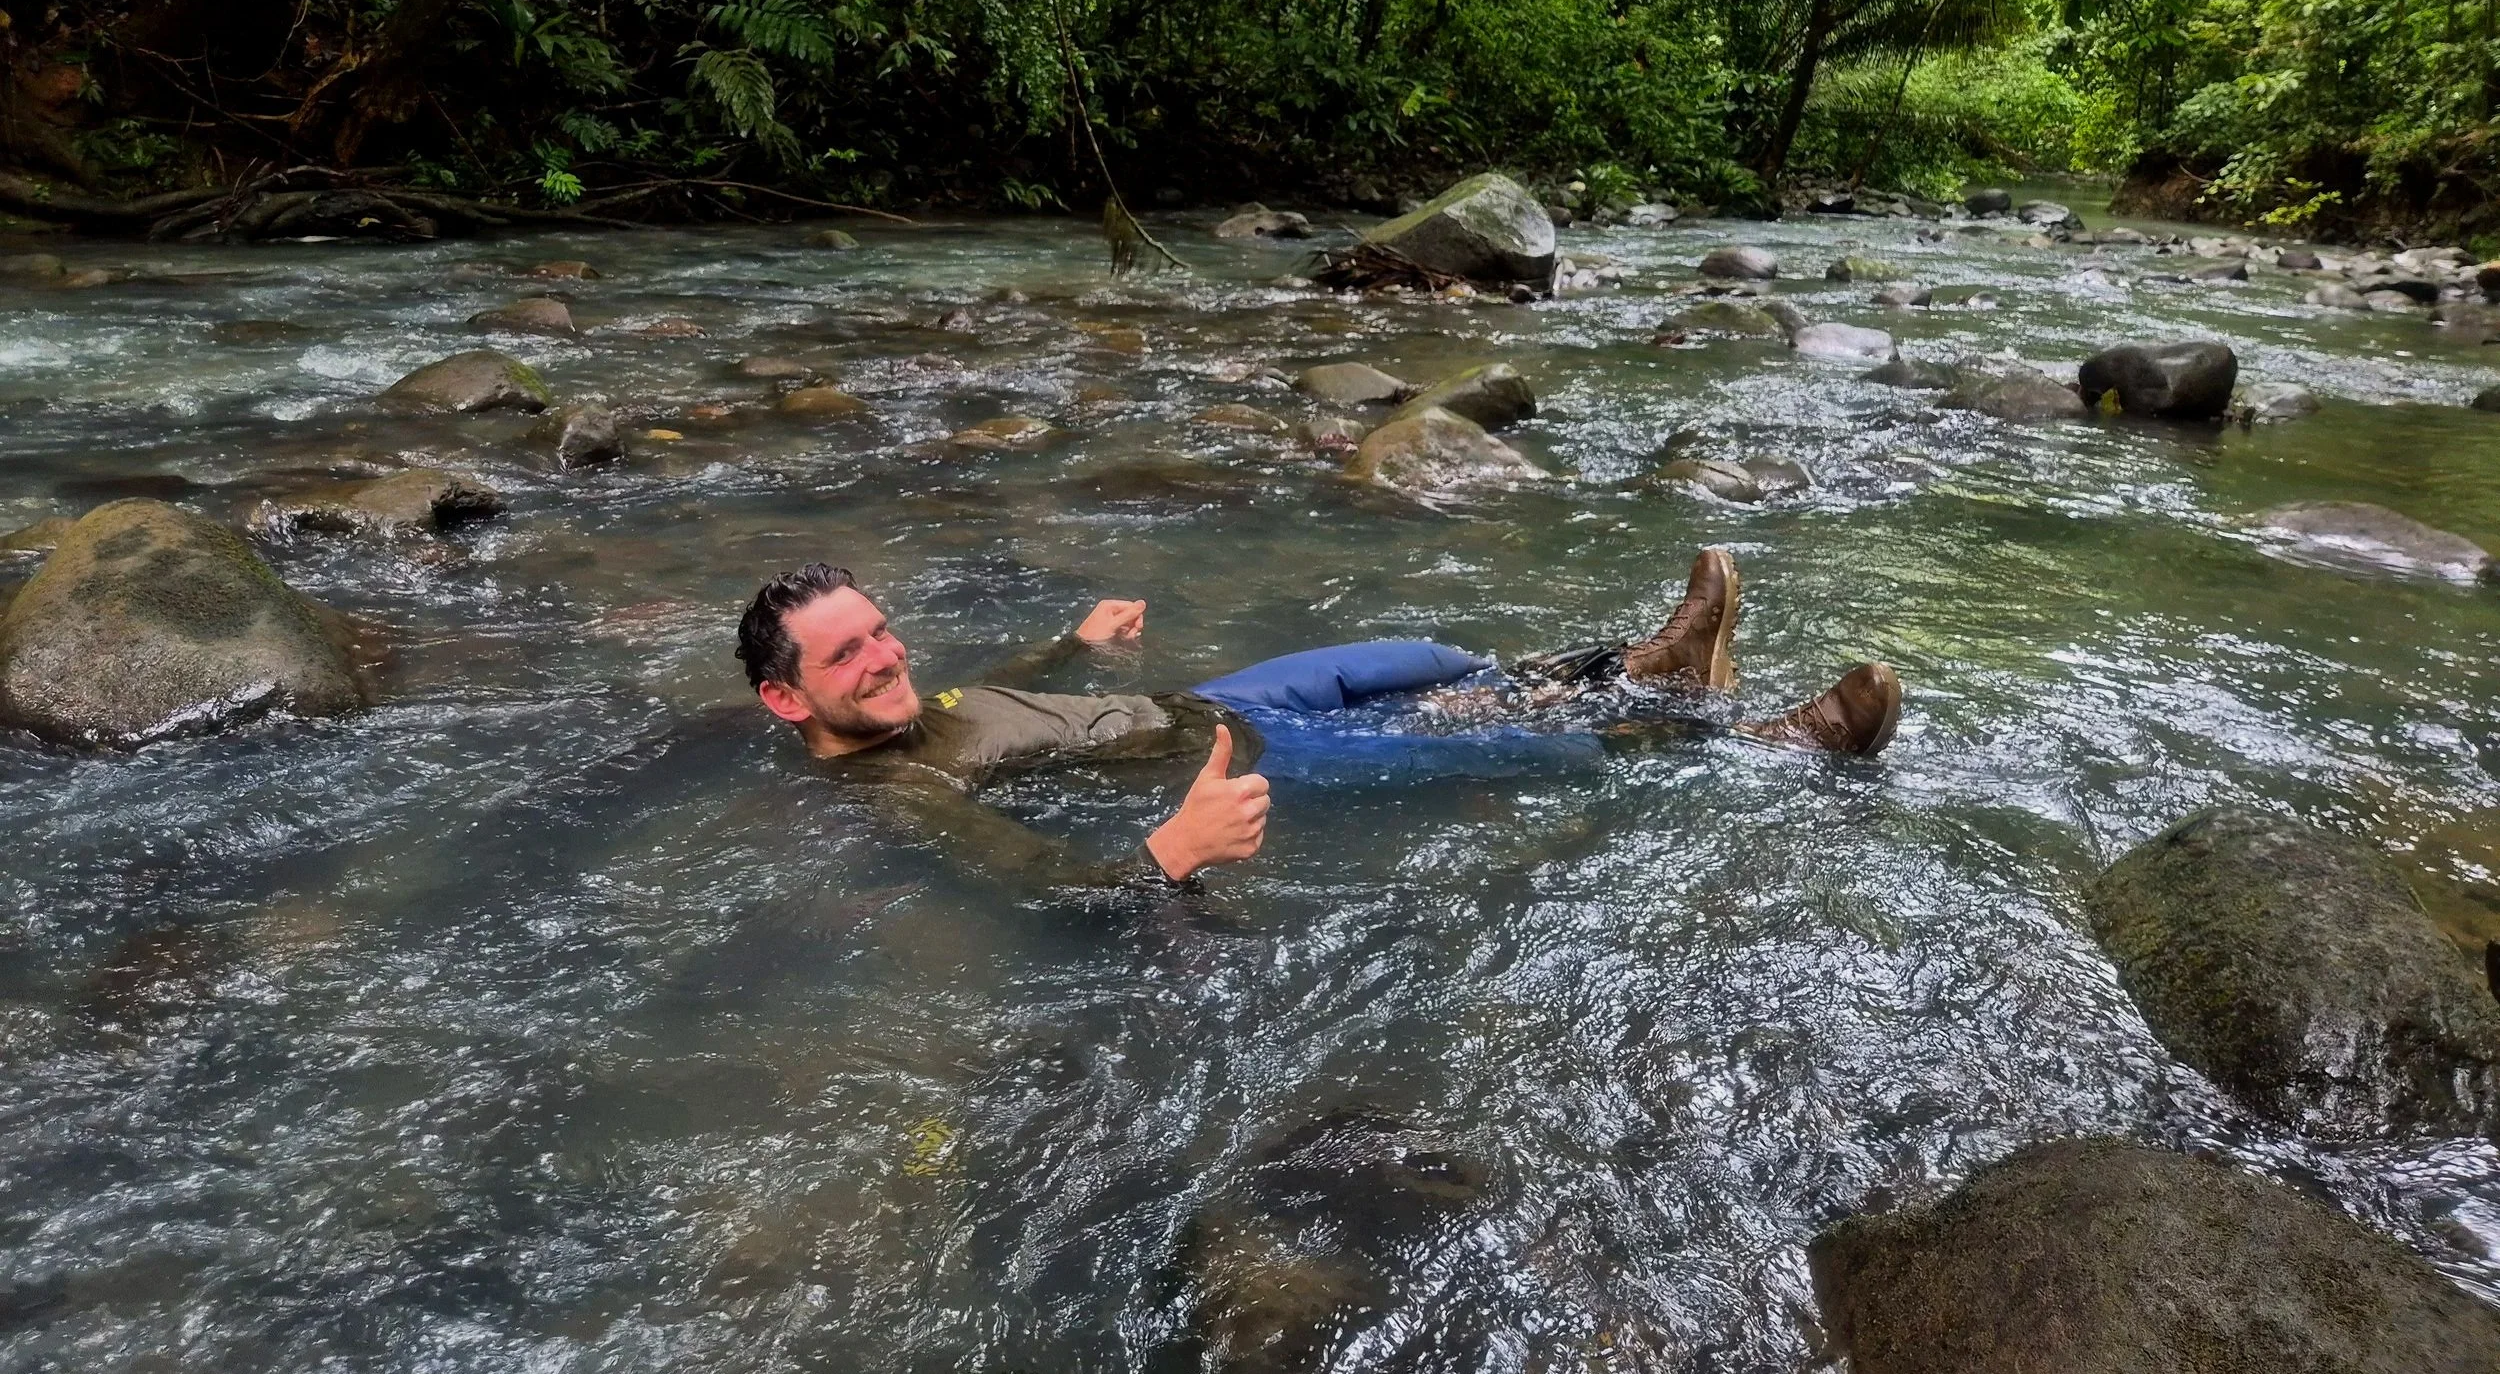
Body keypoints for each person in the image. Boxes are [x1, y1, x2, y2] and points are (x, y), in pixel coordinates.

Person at [733, 550, 1900, 891]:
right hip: (1224, 752)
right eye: (850, 654)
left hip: (1213, 696)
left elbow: (987, 690)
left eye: (882, 632)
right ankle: (1761, 748)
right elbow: (1038, 880)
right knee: (1502, 744)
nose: (887, 658)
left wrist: (1072, 649)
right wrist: (1164, 859)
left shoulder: (911, 701)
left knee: (1427, 658)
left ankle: (1652, 663)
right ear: (786, 698)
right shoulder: (894, 789)